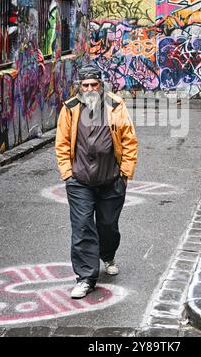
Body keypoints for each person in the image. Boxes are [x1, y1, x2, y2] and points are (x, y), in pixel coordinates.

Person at [55, 62, 137, 298]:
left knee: (108, 225)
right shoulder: (70, 108)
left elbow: (129, 140)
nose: (90, 88)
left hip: (111, 179)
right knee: (82, 227)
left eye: (94, 84)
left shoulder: (115, 105)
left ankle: (108, 255)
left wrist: (125, 174)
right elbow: (61, 143)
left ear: (101, 85)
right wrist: (67, 173)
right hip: (79, 180)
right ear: (79, 87)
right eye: (85, 84)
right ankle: (85, 277)